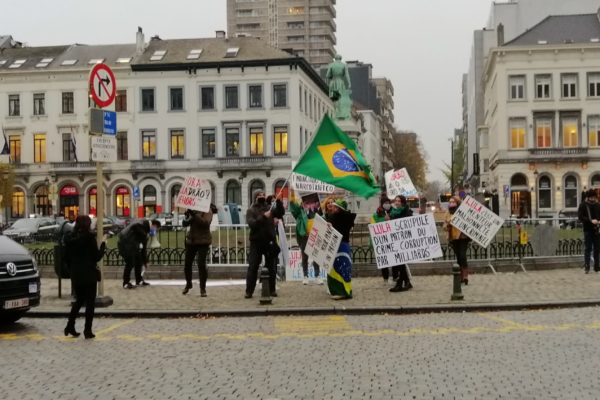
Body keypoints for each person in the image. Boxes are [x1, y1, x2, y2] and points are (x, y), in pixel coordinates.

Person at [64, 215, 106, 339]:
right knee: (90, 303)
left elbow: (66, 258)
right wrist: (103, 244)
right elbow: (97, 256)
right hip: (89, 274)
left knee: (79, 301)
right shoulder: (89, 238)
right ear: (87, 225)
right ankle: (88, 330)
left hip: (76, 274)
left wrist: (73, 269)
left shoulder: (70, 238)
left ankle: (70, 326)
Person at [245, 189, 284, 298]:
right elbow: (252, 224)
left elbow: (280, 213)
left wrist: (279, 202)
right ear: (255, 197)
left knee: (271, 267)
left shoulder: (269, 208)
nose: (261, 196)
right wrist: (263, 217)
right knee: (253, 266)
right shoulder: (251, 210)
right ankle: (249, 291)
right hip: (256, 242)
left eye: (263, 194)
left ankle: (272, 289)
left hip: (269, 241)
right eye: (259, 195)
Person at [289, 190, 322, 285]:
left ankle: (317, 276)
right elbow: (293, 207)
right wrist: (292, 194)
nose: (309, 204)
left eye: (311, 201)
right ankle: (305, 276)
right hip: (305, 237)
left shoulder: (318, 211)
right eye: (307, 202)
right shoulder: (300, 212)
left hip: (315, 236)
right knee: (305, 257)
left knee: (316, 256)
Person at [118, 219, 161, 289]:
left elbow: (143, 249)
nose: (155, 231)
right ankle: (125, 283)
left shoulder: (146, 232)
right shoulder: (144, 224)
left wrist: (146, 261)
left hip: (133, 245)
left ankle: (139, 280)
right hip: (125, 243)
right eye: (156, 229)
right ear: (154, 225)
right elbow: (135, 226)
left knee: (139, 260)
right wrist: (144, 234)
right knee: (130, 262)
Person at [326, 199, 356, 300]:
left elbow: (339, 228)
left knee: (341, 269)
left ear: (339, 208)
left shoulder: (343, 217)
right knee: (333, 269)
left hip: (341, 246)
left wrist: (331, 224)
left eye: (334, 207)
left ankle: (343, 292)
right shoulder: (336, 217)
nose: (332, 208)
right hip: (336, 246)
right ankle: (336, 290)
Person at [181, 207, 213, 296]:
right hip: (192, 241)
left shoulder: (207, 210)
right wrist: (187, 216)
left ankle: (203, 288)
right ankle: (188, 283)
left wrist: (195, 215)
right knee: (187, 263)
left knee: (201, 264)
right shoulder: (192, 210)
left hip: (203, 241)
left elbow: (205, 224)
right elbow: (184, 224)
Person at [389, 195, 414, 292]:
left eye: (399, 201)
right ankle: (407, 283)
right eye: (396, 201)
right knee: (400, 262)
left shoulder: (406, 212)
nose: (397, 202)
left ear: (403, 202)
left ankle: (399, 284)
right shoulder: (393, 212)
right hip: (396, 239)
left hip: (404, 240)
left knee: (401, 263)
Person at [371, 195, 398, 283]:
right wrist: (384, 220)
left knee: (395, 260)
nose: (387, 204)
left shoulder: (394, 212)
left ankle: (395, 276)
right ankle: (385, 278)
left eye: (388, 203)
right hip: (382, 240)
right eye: (385, 203)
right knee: (384, 260)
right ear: (382, 204)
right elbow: (373, 227)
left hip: (393, 239)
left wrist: (390, 220)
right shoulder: (376, 214)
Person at [444, 196, 471, 285]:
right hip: (453, 237)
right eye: (450, 202)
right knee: (459, 257)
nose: (451, 204)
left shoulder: (462, 212)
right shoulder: (448, 213)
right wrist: (447, 225)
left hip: (462, 237)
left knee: (462, 255)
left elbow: (468, 223)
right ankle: (460, 276)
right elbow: (444, 226)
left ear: (457, 203)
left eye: (453, 202)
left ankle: (466, 276)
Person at [578, 189, 600, 273]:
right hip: (587, 229)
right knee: (588, 248)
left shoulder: (598, 205)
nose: (593, 199)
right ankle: (587, 266)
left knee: (597, 248)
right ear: (588, 197)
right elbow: (580, 217)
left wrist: (598, 221)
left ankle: (597, 266)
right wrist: (590, 221)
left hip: (597, 229)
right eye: (591, 197)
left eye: (594, 197)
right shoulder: (583, 205)